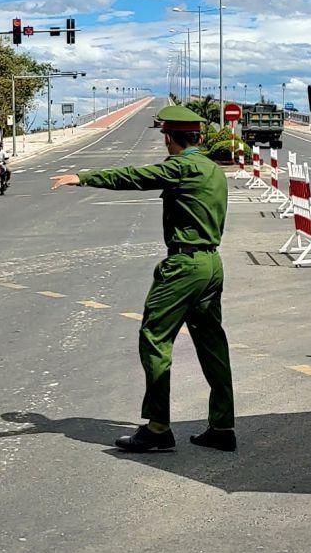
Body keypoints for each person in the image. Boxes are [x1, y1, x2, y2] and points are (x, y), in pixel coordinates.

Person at [50, 104, 234, 454]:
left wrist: (83, 177)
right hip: (212, 263)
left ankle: (158, 428)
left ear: (169, 138)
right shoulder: (212, 169)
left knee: (154, 337)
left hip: (184, 266)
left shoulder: (181, 167)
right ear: (196, 135)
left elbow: (134, 177)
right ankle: (223, 426)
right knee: (212, 344)